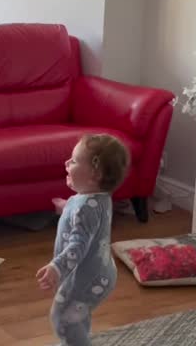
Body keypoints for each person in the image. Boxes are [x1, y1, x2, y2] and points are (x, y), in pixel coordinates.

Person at [36, 133, 130, 345]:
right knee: (78, 314)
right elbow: (87, 219)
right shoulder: (98, 198)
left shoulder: (85, 208)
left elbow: (77, 246)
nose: (67, 163)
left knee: (63, 318)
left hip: (86, 278)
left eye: (75, 160)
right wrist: (67, 207)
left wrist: (56, 267)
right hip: (100, 272)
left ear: (94, 174)